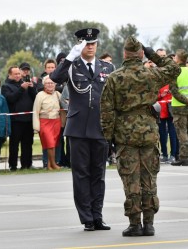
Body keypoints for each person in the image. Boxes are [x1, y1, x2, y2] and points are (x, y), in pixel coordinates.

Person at [100, 36, 181, 236]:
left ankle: (135, 223)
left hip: (125, 134)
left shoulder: (115, 78)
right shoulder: (152, 74)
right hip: (148, 132)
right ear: (142, 53)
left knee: (131, 180)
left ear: (124, 54)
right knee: (149, 179)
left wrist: (108, 137)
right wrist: (154, 55)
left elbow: (107, 111)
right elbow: (174, 69)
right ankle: (150, 223)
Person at [50, 28, 115, 231]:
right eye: (86, 44)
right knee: (81, 175)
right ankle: (86, 217)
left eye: (93, 43)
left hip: (100, 127)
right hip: (78, 129)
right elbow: (55, 78)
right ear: (80, 45)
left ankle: (97, 215)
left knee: (99, 174)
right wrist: (70, 56)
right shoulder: (71, 66)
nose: (90, 47)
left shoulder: (107, 67)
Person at [1, 66, 36, 171]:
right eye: (15, 74)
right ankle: (13, 165)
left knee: (28, 143)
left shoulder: (25, 84)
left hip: (28, 119)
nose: (18, 76)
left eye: (19, 74)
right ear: (10, 75)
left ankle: (27, 164)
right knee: (14, 144)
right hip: (15, 120)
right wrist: (21, 89)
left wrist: (31, 88)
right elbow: (11, 99)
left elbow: (35, 97)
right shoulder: (6, 86)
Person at [33, 75, 61, 170]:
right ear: (44, 85)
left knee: (53, 143)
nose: (50, 85)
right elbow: (35, 111)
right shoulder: (40, 95)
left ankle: (49, 165)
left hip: (56, 121)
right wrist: (36, 126)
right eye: (48, 83)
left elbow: (64, 104)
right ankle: (53, 164)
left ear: (55, 84)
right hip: (45, 122)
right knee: (49, 144)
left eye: (52, 83)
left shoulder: (57, 94)